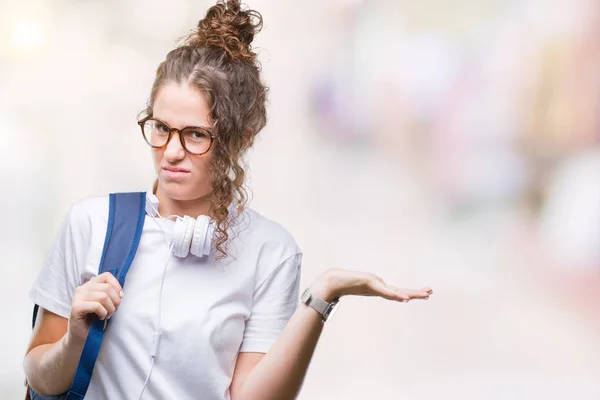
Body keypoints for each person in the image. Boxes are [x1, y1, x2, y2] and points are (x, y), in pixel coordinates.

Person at [22, 1, 433, 399]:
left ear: (241, 140)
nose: (171, 151)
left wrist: (323, 295)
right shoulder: (91, 224)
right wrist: (74, 337)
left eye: (196, 134)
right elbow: (40, 380)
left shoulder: (270, 252)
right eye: (161, 128)